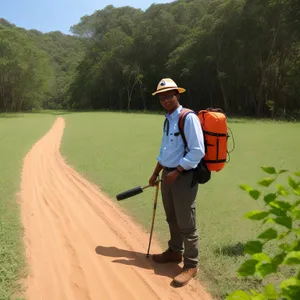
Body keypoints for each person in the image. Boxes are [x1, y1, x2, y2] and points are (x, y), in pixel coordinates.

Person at [149, 78, 205, 287]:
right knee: (171, 217)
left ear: (177, 95)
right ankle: (174, 251)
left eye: (169, 96)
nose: (165, 100)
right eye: (162, 97)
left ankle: (191, 265)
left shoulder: (187, 117)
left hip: (183, 177)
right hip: (167, 176)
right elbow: (165, 151)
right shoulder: (168, 119)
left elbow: (198, 150)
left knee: (186, 223)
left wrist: (178, 170)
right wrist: (156, 173)